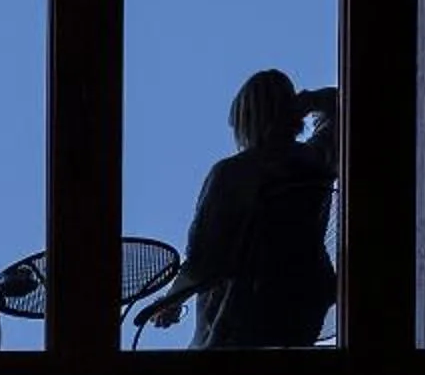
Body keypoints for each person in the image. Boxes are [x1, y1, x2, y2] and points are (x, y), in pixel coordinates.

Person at [136, 70, 337, 349]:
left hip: (239, 322)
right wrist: (309, 101)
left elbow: (203, 259)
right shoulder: (318, 161)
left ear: (245, 121)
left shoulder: (233, 174)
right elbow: (345, 107)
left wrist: (171, 301)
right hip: (303, 313)